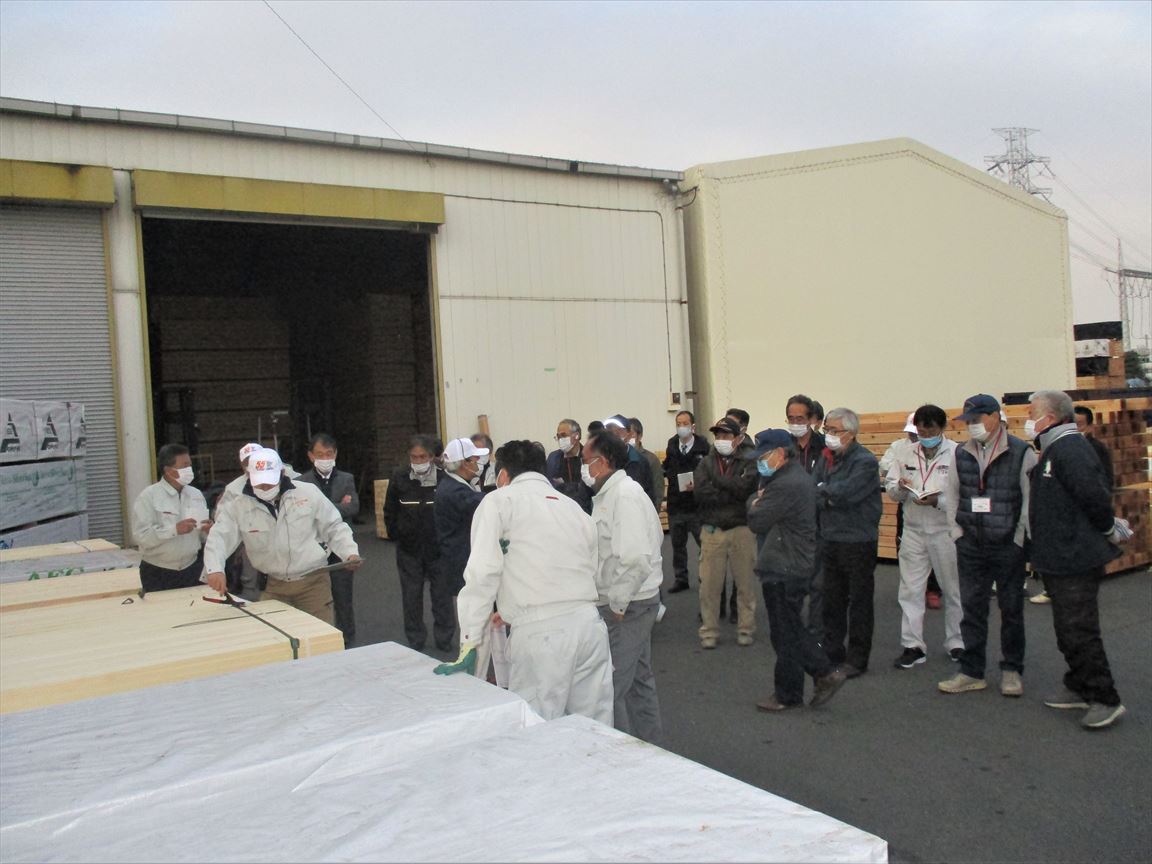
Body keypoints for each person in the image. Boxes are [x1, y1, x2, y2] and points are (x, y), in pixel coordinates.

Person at [435, 440, 613, 726]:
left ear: (503, 474)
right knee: (593, 728)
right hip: (589, 627)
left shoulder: (498, 502)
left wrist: (470, 641)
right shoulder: (573, 508)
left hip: (541, 636)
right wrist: (512, 604)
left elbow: (481, 576)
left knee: (537, 728)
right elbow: (589, 568)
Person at [1027, 390, 1127, 729]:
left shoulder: (1070, 448)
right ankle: (1078, 684)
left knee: (1079, 629)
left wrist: (1107, 528)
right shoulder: (1054, 448)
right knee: (1066, 628)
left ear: (1050, 418)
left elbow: (1094, 496)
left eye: (1032, 413)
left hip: (1075, 556)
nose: (1028, 420)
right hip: (1058, 555)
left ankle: (1105, 698)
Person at [938, 394, 1037, 697]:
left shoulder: (1021, 452)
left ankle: (1011, 670)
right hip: (971, 543)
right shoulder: (961, 453)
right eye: (968, 420)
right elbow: (952, 493)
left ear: (995, 416)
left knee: (1011, 609)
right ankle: (971, 671)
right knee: (972, 609)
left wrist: (1019, 539)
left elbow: (1029, 501)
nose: (972, 425)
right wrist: (957, 531)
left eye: (977, 419)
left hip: (1008, 545)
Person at [746, 429, 846, 711]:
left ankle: (814, 678)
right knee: (787, 628)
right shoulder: (790, 478)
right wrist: (758, 500)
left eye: (763, 456)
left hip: (785, 564)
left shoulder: (785, 484)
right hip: (790, 561)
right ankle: (799, 686)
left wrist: (755, 501)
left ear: (780, 453)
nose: (760, 462)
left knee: (787, 631)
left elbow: (757, 520)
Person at [204, 448, 361, 623]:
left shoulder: (308, 493)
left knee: (320, 633)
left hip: (313, 582)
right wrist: (215, 569)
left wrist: (349, 552)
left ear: (281, 473)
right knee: (278, 635)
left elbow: (334, 526)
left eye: (269, 482)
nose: (265, 487)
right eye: (259, 482)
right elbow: (219, 537)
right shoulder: (239, 505)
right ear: (248, 476)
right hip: (272, 586)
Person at [583, 430, 664, 742]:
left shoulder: (624, 496)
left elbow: (634, 558)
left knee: (610, 687)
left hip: (629, 605)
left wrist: (617, 604)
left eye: (586, 461)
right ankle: (650, 746)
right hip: (626, 602)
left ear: (602, 462)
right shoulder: (608, 495)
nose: (583, 468)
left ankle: (619, 754)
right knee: (639, 680)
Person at [885, 405, 963, 669]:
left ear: (943, 428)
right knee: (910, 589)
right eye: (921, 430)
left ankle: (957, 642)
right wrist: (901, 488)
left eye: (931, 430)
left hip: (945, 530)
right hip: (913, 529)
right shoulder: (905, 452)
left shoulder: (956, 454)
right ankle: (913, 645)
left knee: (953, 588)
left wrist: (938, 501)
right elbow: (891, 488)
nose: (925, 435)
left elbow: (961, 496)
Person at [813, 408, 882, 678]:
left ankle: (857, 658)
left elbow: (847, 494)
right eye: (827, 430)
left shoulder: (865, 461)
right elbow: (813, 489)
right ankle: (832, 651)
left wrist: (825, 493)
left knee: (860, 602)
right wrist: (825, 495)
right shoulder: (826, 457)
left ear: (851, 434)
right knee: (832, 600)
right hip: (830, 537)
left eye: (834, 430)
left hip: (858, 540)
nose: (829, 435)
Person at [1032, 406, 1116, 605]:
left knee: (1078, 609)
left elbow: (1100, 485)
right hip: (1057, 523)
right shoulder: (1053, 447)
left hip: (1079, 524)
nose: (1077, 429)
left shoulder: (1089, 449)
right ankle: (1051, 589)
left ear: (1090, 426)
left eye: (1081, 425)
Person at [693, 416, 759, 649]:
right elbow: (701, 493)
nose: (721, 439)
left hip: (742, 528)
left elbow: (746, 489)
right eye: (718, 435)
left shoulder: (749, 460)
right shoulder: (705, 463)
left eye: (726, 435)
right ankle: (709, 631)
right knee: (709, 587)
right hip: (712, 530)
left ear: (738, 438)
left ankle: (746, 628)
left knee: (745, 584)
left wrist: (718, 483)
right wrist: (730, 487)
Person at [384, 434, 447, 651]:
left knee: (442, 596)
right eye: (414, 457)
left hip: (437, 549)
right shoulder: (399, 476)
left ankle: (444, 638)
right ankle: (415, 638)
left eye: (422, 457)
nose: (418, 461)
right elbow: (390, 509)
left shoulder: (444, 478)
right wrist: (397, 535)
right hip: (409, 548)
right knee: (411, 596)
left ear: (431, 457)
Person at [297, 433, 360, 648]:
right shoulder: (301, 482)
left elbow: (353, 507)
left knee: (343, 596)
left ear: (335, 454)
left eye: (329, 454)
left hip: (340, 548)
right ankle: (320, 639)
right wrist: (338, 505)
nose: (325, 459)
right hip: (313, 547)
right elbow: (304, 514)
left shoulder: (346, 478)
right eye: (320, 454)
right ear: (310, 456)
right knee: (315, 597)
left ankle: (347, 639)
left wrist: (322, 508)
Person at [132, 443, 211, 594]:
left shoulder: (196, 494)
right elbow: (141, 536)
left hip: (191, 569)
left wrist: (207, 530)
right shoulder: (149, 497)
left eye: (190, 465)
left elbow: (201, 536)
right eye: (185, 466)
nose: (190, 469)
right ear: (169, 471)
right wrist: (174, 530)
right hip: (158, 571)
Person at [434, 437, 488, 650]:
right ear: (464, 463)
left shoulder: (453, 485)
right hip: (462, 563)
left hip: (457, 560)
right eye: (474, 459)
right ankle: (471, 657)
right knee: (473, 618)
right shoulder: (456, 492)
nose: (478, 464)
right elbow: (485, 504)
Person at [785, 394, 827, 641]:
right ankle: (792, 630)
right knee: (791, 583)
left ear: (811, 419)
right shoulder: (783, 448)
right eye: (791, 419)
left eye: (800, 418)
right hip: (791, 527)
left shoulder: (825, 447)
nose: (795, 423)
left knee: (819, 584)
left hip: (819, 522)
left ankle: (816, 632)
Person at [663, 410, 710, 593]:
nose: (681, 427)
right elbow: (668, 467)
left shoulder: (703, 446)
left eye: (685, 423)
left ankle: (706, 577)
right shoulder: (672, 444)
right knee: (677, 545)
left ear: (693, 426)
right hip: (676, 503)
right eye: (678, 424)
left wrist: (698, 484)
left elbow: (709, 472)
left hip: (697, 505)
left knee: (703, 544)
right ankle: (680, 578)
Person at [603, 415, 654, 503]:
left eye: (618, 431)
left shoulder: (640, 461)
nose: (613, 436)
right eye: (609, 432)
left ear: (629, 434)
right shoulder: (600, 461)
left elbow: (649, 495)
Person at [545, 419, 592, 513]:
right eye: (558, 436)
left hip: (585, 511)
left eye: (563, 435)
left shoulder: (590, 457)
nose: (560, 440)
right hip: (560, 510)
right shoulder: (553, 458)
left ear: (577, 436)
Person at [628, 417, 665, 511]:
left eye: (631, 433)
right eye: (626, 433)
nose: (628, 437)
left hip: (646, 509)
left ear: (640, 435)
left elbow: (658, 489)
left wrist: (654, 512)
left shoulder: (651, 459)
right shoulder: (619, 458)